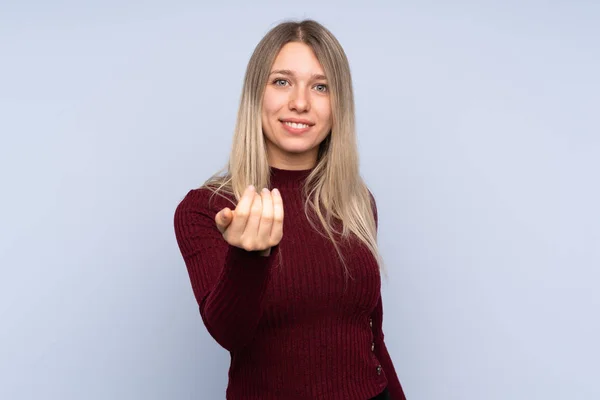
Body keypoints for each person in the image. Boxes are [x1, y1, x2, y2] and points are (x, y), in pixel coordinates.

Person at [174, 19, 407, 400]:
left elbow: (371, 336)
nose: (300, 102)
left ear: (338, 106)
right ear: (256, 95)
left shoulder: (355, 200)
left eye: (321, 87)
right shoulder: (206, 209)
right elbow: (230, 334)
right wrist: (249, 257)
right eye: (282, 81)